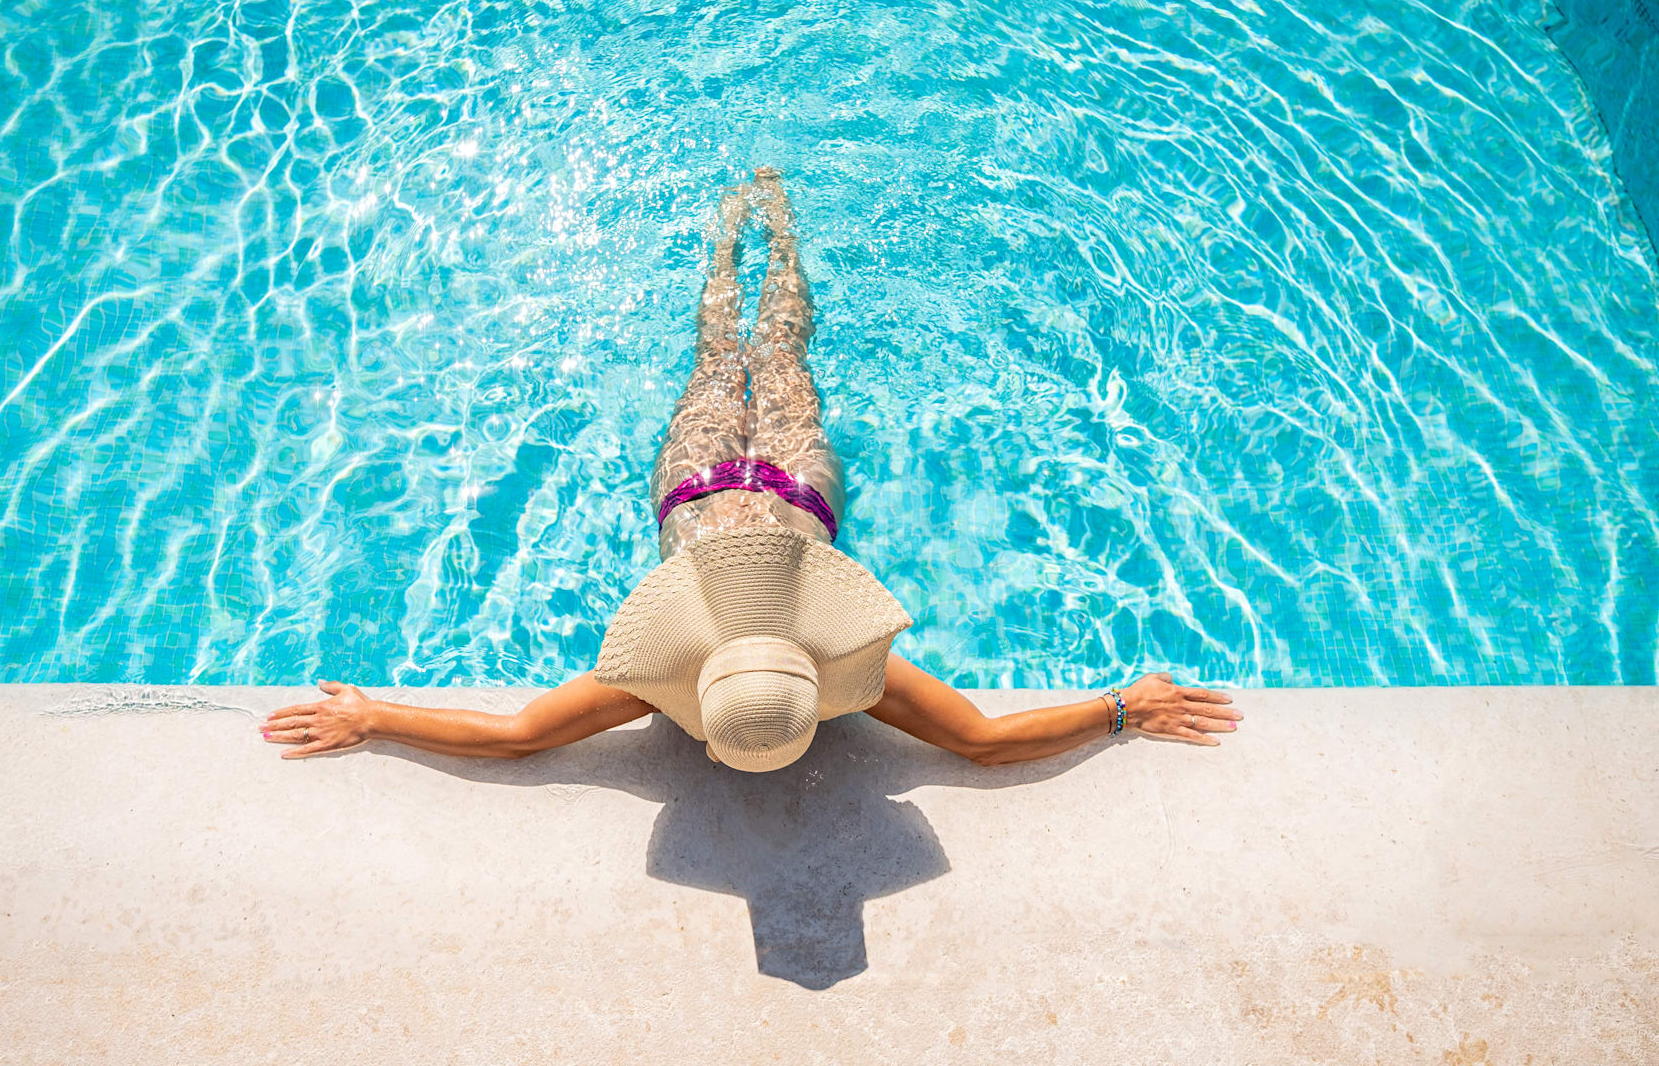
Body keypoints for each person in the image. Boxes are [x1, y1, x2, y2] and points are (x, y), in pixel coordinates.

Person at [261, 168, 1242, 767]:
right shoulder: (845, 672)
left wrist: (374, 716)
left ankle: (737, 237)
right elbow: (982, 745)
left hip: (731, 491)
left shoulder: (657, 678)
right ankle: (763, 230)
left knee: (730, 355)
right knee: (775, 356)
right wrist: (1123, 708)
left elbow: (518, 738)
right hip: (765, 489)